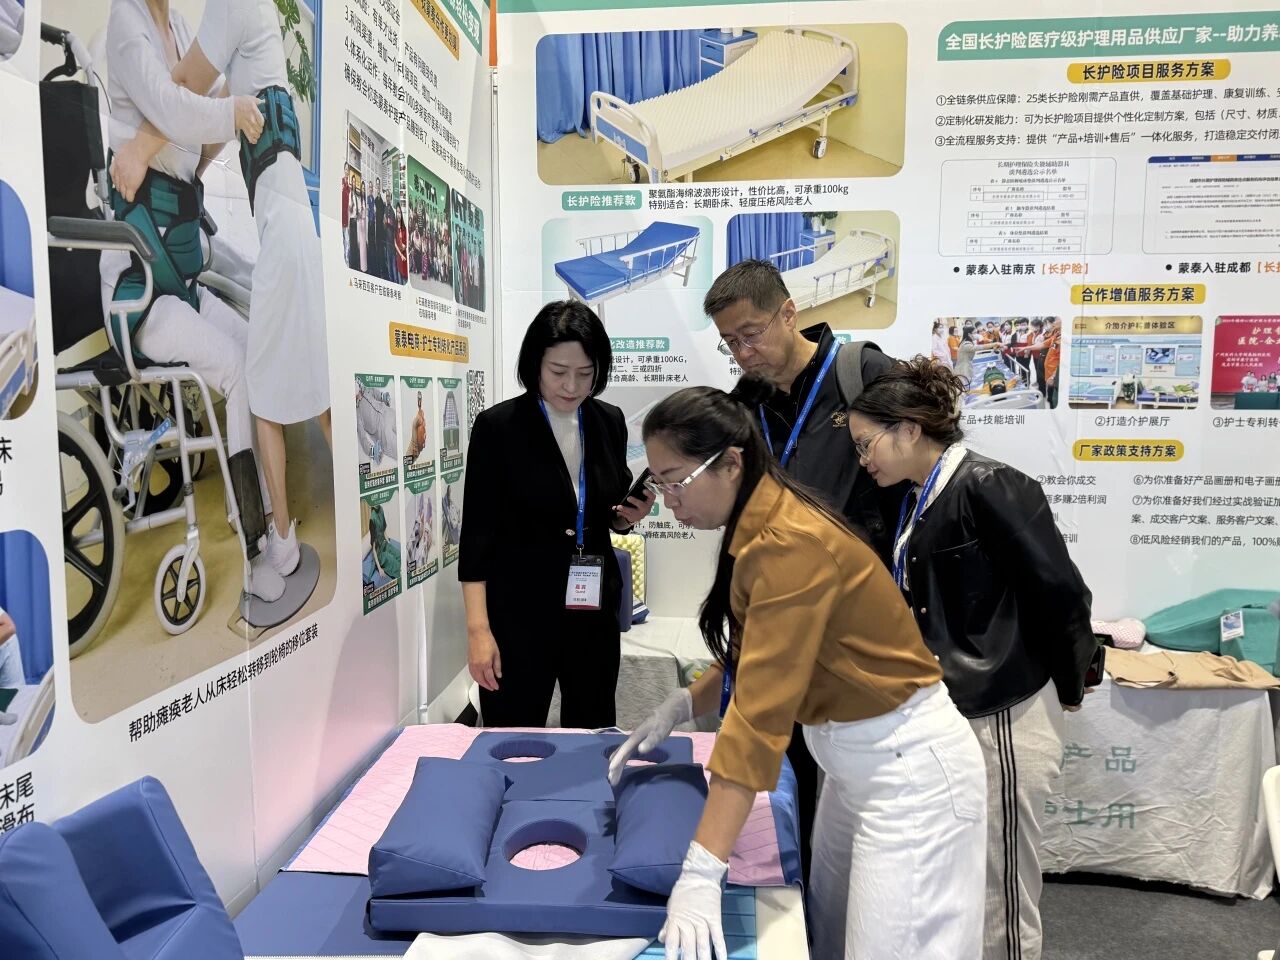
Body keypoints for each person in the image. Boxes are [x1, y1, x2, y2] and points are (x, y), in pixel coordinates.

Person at [609, 383, 986, 960]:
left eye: (675, 480)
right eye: (658, 483)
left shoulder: (788, 542)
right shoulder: (759, 525)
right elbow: (757, 650)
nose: (668, 501)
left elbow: (757, 718)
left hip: (909, 774)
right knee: (828, 934)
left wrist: (702, 871)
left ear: (731, 464)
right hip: (853, 764)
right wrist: (682, 703)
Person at [847, 358, 1101, 960]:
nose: (862, 460)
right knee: (965, 875)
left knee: (1001, 881)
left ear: (909, 430)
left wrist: (1072, 682)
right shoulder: (917, 497)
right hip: (956, 708)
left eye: (866, 444)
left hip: (1004, 708)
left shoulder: (990, 485)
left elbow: (1060, 592)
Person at [108, 0, 334, 577]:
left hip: (182, 274)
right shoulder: (127, 24)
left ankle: (268, 521)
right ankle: (258, 533)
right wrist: (224, 114)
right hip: (142, 290)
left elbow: (195, 114)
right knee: (241, 368)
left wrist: (216, 124)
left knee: (258, 357)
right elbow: (178, 101)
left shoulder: (187, 24)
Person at [704, 258, 908, 887]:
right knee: (787, 776)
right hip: (786, 616)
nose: (743, 353)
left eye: (752, 334)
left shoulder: (865, 378)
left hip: (858, 631)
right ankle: (794, 907)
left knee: (852, 799)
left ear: (789, 312)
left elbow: (918, 484)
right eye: (730, 342)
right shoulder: (748, 404)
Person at [459, 301, 656, 728]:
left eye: (585, 373)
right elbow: (476, 537)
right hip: (519, 613)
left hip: (592, 611)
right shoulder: (499, 427)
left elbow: (604, 514)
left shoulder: (609, 420)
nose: (571, 386)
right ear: (535, 364)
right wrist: (478, 631)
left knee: (592, 730)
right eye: (558, 371)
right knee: (513, 735)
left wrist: (628, 517)